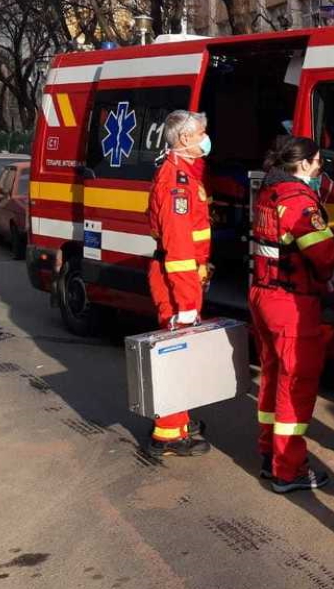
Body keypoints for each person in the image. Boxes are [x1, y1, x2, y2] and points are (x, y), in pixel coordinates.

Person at [250, 136, 334, 493]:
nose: (320, 168)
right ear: (304, 163)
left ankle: (268, 453)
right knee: (296, 386)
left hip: (264, 294)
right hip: (291, 304)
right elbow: (325, 254)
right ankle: (288, 470)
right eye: (318, 162)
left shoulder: (269, 192)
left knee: (273, 379)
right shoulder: (298, 200)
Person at [146, 110, 214, 458]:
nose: (206, 137)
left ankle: (179, 421)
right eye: (202, 132)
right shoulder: (177, 184)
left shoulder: (184, 174)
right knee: (175, 353)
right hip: (177, 282)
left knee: (180, 353)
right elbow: (179, 251)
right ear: (186, 139)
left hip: (181, 278)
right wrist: (187, 305)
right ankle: (168, 433)